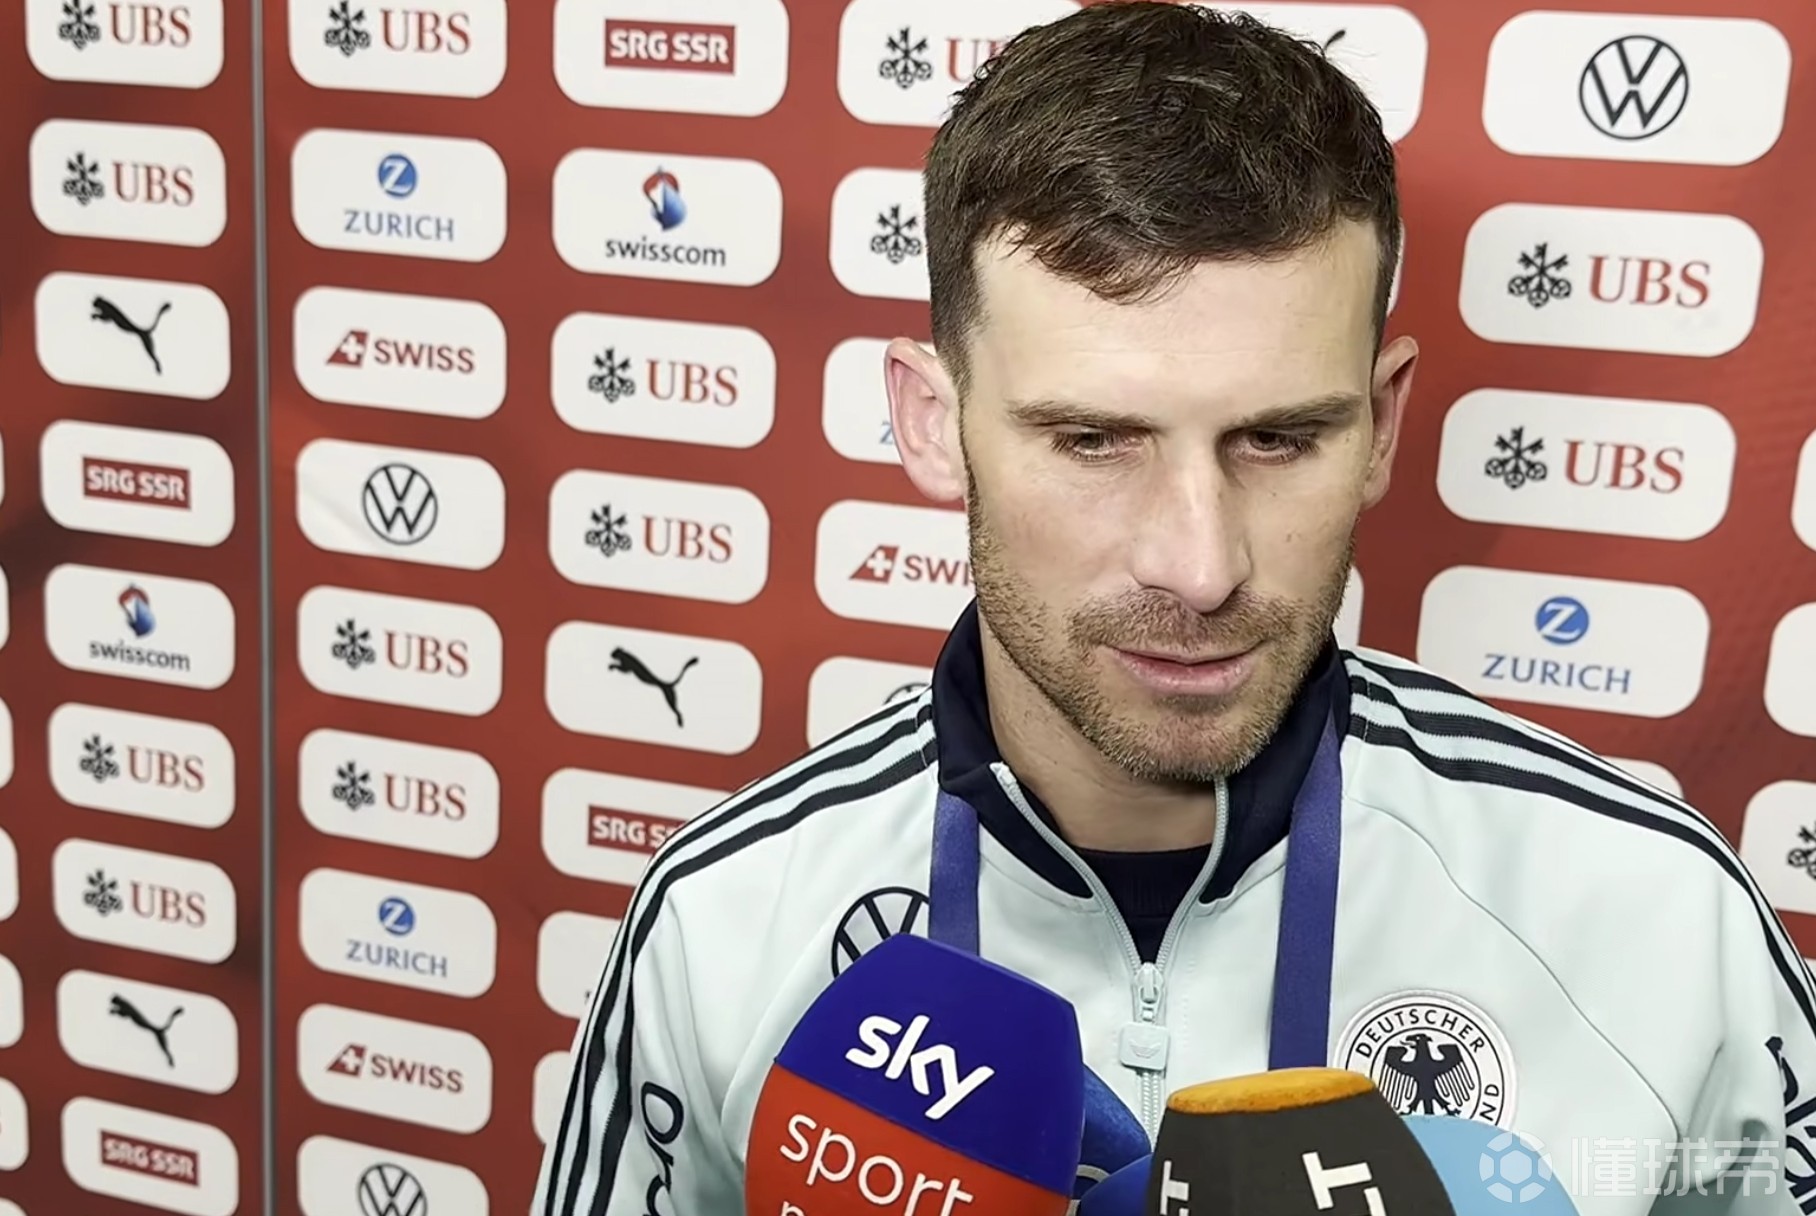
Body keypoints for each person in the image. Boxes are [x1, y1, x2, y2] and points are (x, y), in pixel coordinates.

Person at [534, 5, 1815, 1213]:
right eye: (1092, 440)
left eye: (1278, 438)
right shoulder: (723, 915)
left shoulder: (1655, 911)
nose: (1201, 569)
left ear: (1380, 426)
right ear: (931, 423)